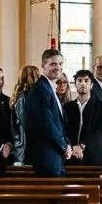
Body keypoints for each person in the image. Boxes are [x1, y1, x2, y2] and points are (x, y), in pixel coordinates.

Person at [24, 48, 72, 176]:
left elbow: (59, 125)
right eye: (53, 64)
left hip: (54, 156)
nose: (58, 67)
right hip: (46, 158)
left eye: (60, 64)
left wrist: (67, 144)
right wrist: (63, 146)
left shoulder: (49, 88)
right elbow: (46, 124)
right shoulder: (41, 90)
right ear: (43, 66)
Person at [62, 69, 102, 167]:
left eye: (86, 81)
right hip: (72, 156)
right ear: (75, 85)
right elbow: (65, 131)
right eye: (79, 81)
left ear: (91, 85)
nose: (83, 84)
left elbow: (99, 130)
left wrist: (82, 146)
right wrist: (74, 148)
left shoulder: (100, 106)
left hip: (93, 156)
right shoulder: (68, 107)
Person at [10, 64, 41, 165]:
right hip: (24, 151)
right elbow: (27, 125)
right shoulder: (23, 98)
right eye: (37, 76)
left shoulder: (29, 96)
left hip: (28, 149)